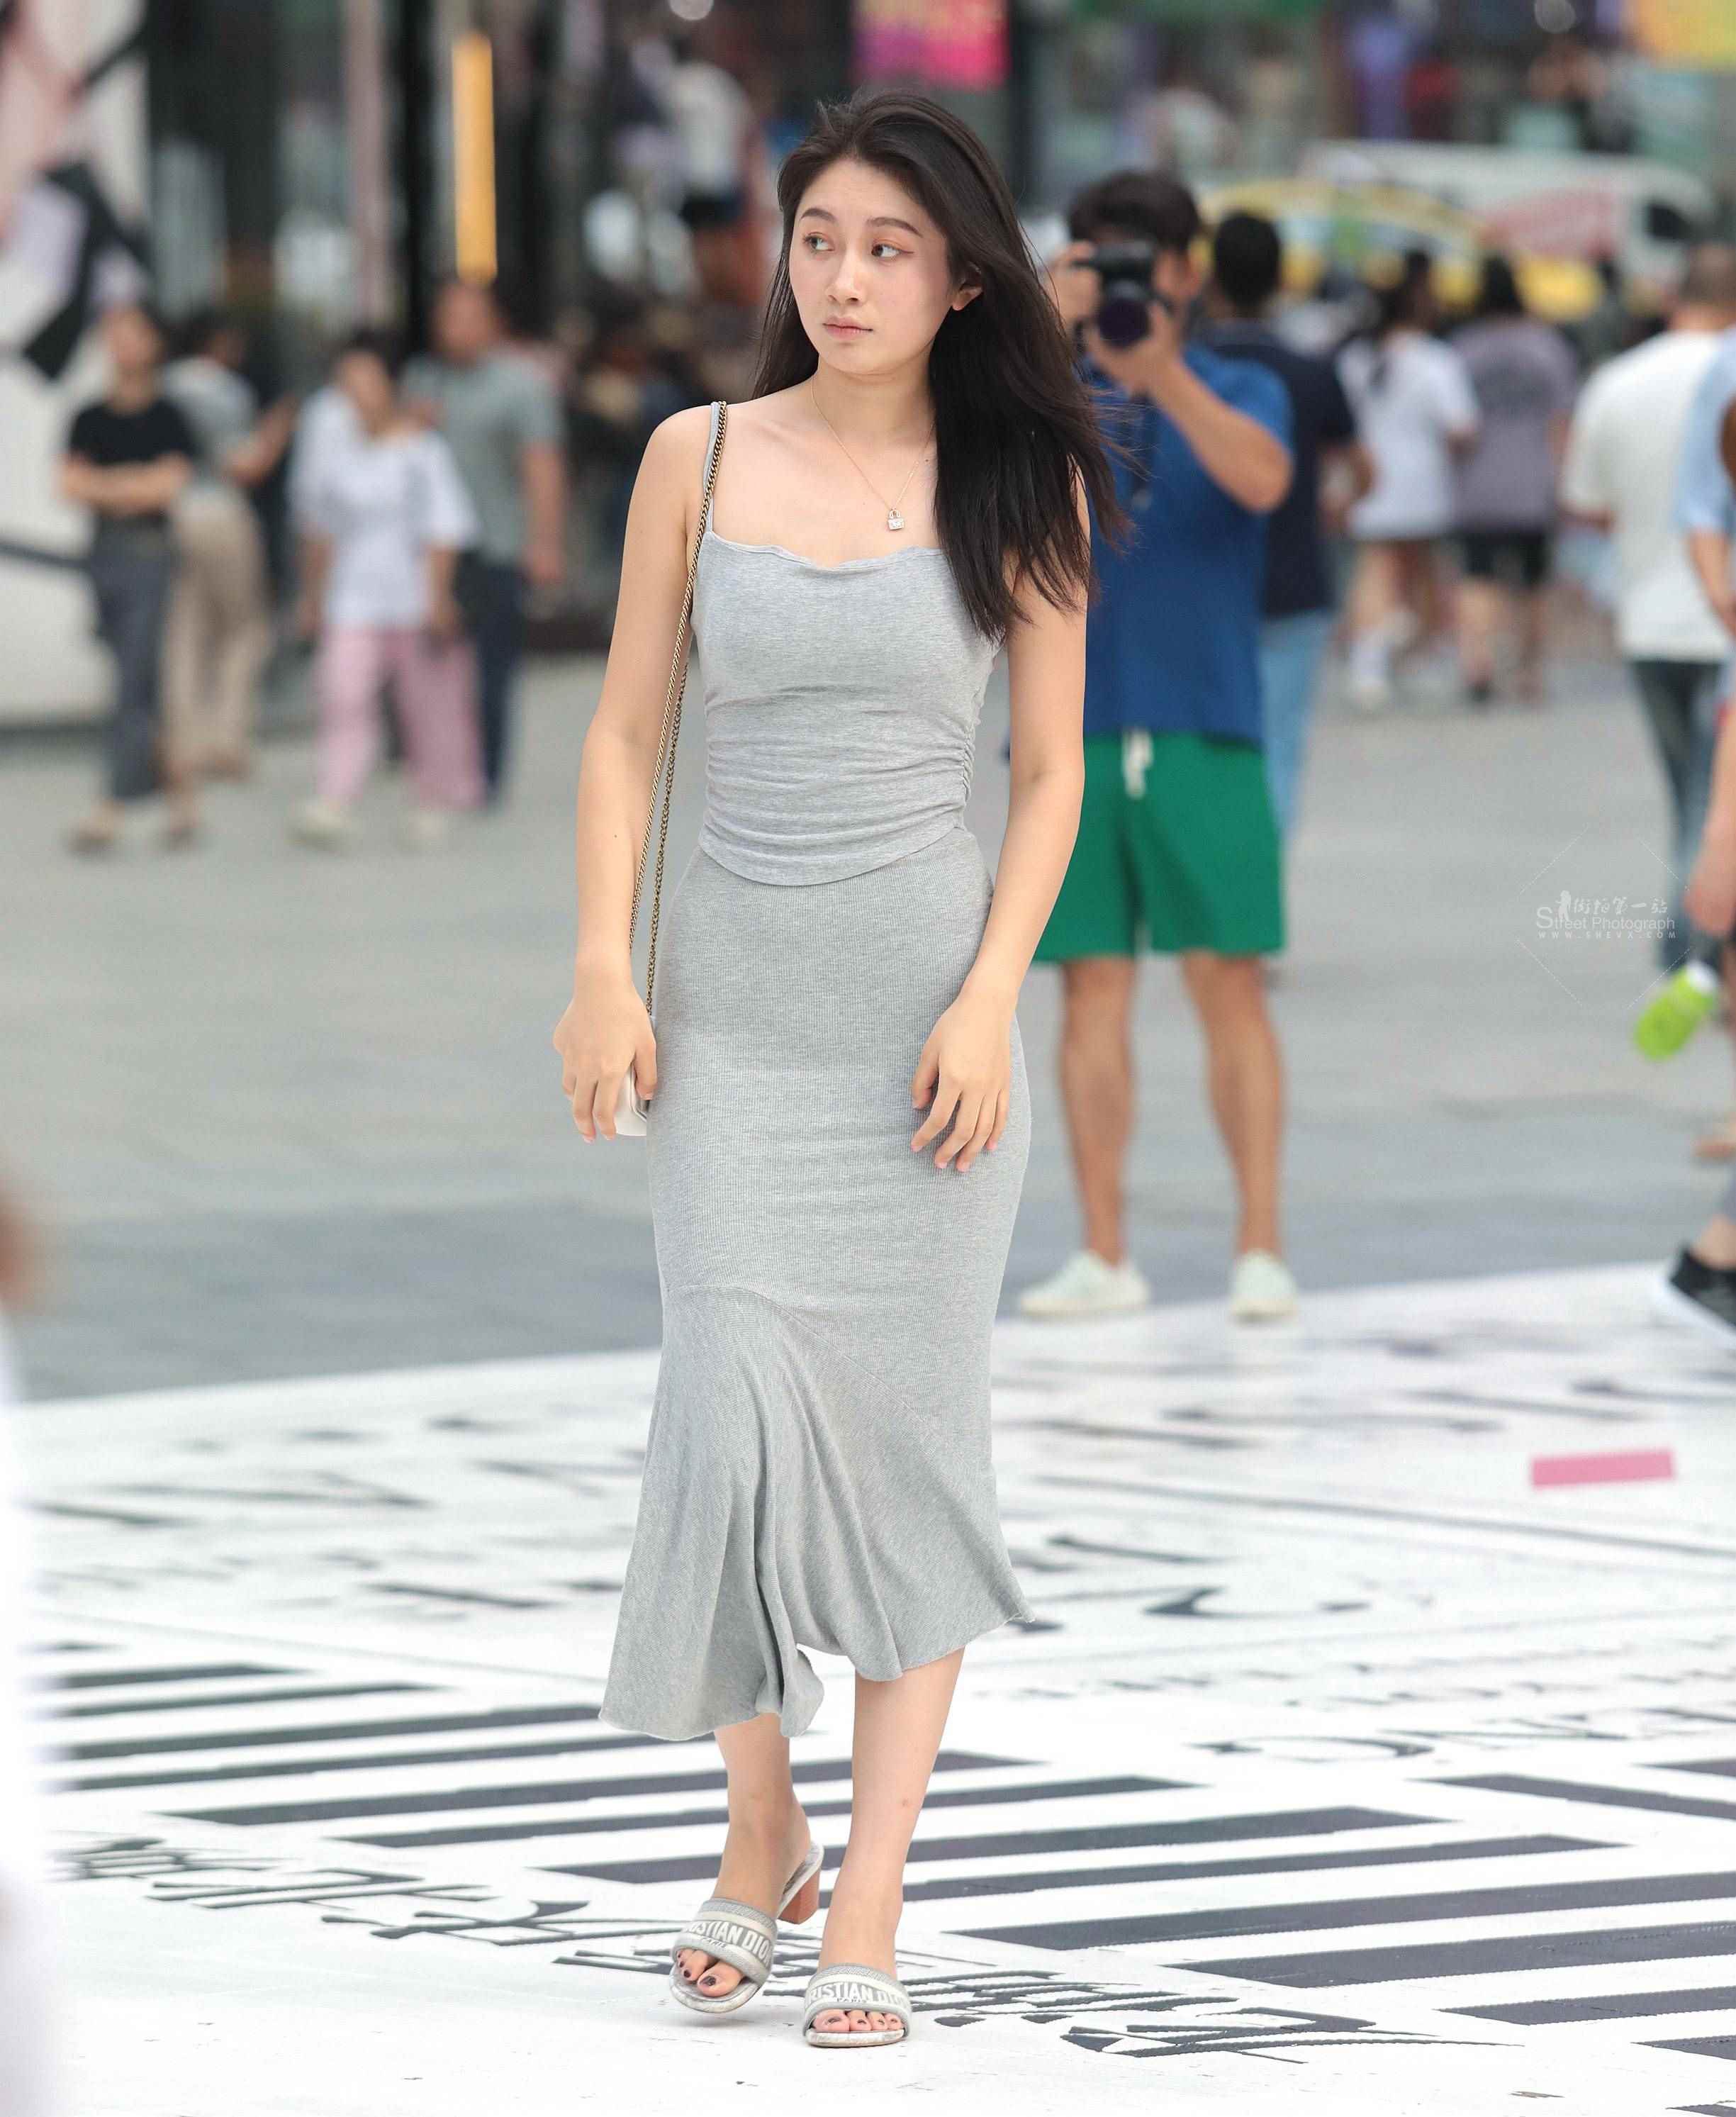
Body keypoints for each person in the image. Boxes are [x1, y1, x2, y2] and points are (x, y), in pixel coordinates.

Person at [551, 86, 1116, 2048]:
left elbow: (1045, 778)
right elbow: (626, 734)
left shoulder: (1016, 482)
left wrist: (987, 995)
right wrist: (599, 964)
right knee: (718, 1418)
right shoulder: (694, 456)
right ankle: (760, 1816)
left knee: (905, 1459)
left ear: (960, 281)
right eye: (818, 242)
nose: (845, 279)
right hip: (728, 1018)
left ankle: (867, 1882)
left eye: (887, 248)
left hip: (922, 1030)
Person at [1016, 171, 1298, 1325]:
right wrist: (1043, 327)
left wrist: (1160, 374)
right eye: (1101, 257)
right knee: (1087, 988)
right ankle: (1102, 1249)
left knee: (1229, 982)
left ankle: (1259, 1247)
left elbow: (1264, 480)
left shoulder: (1236, 383)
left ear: (1185, 270)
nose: (1127, 278)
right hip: (1066, 731)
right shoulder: (1041, 391)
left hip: (1205, 720)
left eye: (1141, 257)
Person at [1560, 244, 1736, 983]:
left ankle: (1694, 943)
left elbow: (1586, 501)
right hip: (1719, 623)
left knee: (1690, 794)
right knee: (1710, 802)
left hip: (1649, 620)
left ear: (1671, 296)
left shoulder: (1616, 381)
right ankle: (1695, 946)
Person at [1200, 209, 1372, 843]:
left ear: (1209, 278)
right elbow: (1362, 468)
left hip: (1204, 584)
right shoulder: (1308, 370)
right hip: (1295, 577)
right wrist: (1336, 507)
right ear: (1279, 281)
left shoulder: (1183, 372)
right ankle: (1260, 882)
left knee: (1204, 745)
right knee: (1278, 745)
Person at [289, 328, 483, 849]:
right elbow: (320, 531)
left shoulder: (423, 452)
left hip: (411, 597)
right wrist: (311, 596)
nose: (357, 396)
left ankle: (433, 797)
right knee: (343, 692)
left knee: (426, 702)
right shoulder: (338, 456)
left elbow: (444, 529)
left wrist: (438, 596)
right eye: (347, 385)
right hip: (352, 597)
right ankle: (335, 795)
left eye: (366, 382)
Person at [402, 279, 566, 804]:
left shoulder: (522, 386)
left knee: (492, 667)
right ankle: (433, 763)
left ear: (494, 323)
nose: (457, 329)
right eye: (448, 318)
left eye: (469, 318)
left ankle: (487, 773)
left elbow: (542, 468)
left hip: (496, 544)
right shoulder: (421, 382)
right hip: (431, 549)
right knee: (429, 661)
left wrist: (544, 543)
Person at [57, 300, 196, 852]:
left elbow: (168, 486)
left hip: (150, 555)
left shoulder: (168, 415)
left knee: (131, 683)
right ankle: (181, 796)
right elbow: (69, 484)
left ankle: (111, 806)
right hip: (104, 555)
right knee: (138, 680)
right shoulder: (88, 416)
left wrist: (108, 486)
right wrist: (131, 486)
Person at [159, 308, 298, 819]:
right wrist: (278, 428)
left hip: (173, 515)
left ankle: (185, 744)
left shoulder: (164, 386)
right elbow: (245, 465)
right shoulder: (224, 391)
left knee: (187, 632)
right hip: (219, 511)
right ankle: (227, 737)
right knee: (246, 629)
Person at [1338, 268, 1480, 711]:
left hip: (1368, 479)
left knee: (1375, 569)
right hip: (1422, 480)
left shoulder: (1354, 359)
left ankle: (1369, 663)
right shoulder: (1435, 360)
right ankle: (1421, 657)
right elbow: (1461, 426)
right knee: (1422, 572)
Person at [1449, 255, 1579, 706]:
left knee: (1477, 576)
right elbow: (1562, 422)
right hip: (1534, 481)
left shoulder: (1463, 348)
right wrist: (1563, 479)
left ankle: (1478, 664)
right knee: (1534, 582)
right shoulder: (1547, 346)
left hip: (1477, 483)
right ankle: (1528, 671)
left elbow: (1453, 425)